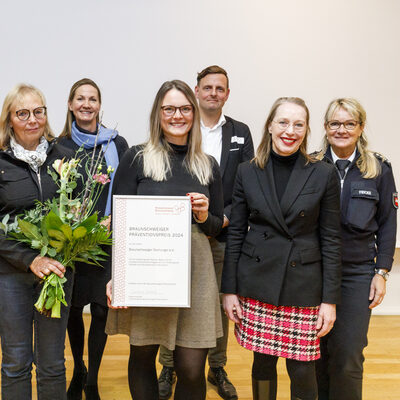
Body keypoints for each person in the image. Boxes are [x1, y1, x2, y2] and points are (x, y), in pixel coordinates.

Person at [106, 79, 224, 400]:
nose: (177, 115)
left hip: (195, 274)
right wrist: (117, 275)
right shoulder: (136, 158)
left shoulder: (208, 165)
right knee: (143, 355)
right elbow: (120, 222)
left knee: (190, 368)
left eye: (185, 109)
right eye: (169, 108)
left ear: (194, 113)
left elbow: (216, 227)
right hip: (147, 271)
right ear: (158, 114)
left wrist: (203, 215)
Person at [221, 97, 342, 400]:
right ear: (271, 126)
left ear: (306, 129)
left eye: (299, 124)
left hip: (302, 285)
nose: (291, 130)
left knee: (302, 369)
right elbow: (235, 234)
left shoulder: (323, 173)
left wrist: (330, 300)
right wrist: (229, 290)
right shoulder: (247, 172)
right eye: (284, 122)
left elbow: (330, 239)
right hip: (258, 281)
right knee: (262, 363)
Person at [157, 65, 253, 400]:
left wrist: (222, 219)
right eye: (207, 87)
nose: (213, 93)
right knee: (172, 301)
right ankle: (168, 365)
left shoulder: (240, 132)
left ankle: (218, 367)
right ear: (196, 91)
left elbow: (245, 186)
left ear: (227, 93)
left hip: (222, 234)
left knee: (218, 306)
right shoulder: (183, 126)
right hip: (178, 239)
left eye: (220, 88)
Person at [0, 84, 75, 400]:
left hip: (56, 274)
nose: (32, 119)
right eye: (23, 113)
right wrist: (30, 259)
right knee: (16, 360)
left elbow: (77, 211)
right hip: (10, 276)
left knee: (53, 362)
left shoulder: (65, 157)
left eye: (38, 111)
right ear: (10, 119)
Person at [315, 98, 397, 400]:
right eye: (335, 123)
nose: (342, 129)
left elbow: (388, 223)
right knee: (314, 355)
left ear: (360, 127)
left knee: (348, 353)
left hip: (356, 273)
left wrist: (381, 272)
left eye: (350, 123)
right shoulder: (309, 165)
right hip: (315, 272)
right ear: (325, 127)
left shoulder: (378, 168)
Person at [57, 78, 129, 400]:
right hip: (73, 244)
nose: (86, 104)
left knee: (101, 311)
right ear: (71, 105)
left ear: (100, 105)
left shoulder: (117, 144)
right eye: (80, 99)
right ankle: (78, 369)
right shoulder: (59, 146)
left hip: (108, 242)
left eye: (93, 99)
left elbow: (128, 189)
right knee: (73, 310)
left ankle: (93, 379)